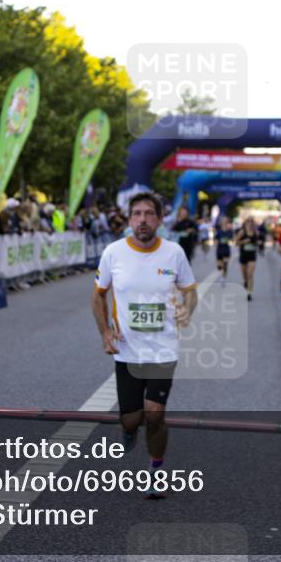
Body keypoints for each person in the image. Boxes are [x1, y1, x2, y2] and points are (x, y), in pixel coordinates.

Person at [91, 192, 197, 499]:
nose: (143, 220)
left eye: (149, 214)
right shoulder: (113, 253)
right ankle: (127, 428)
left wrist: (187, 309)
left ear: (160, 220)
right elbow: (98, 294)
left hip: (163, 348)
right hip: (127, 350)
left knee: (155, 414)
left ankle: (156, 472)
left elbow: (189, 290)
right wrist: (105, 331)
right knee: (132, 418)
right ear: (129, 219)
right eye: (136, 214)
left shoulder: (174, 253)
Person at [234, 217, 260, 301]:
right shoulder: (242, 232)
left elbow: (258, 242)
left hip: (252, 256)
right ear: (245, 223)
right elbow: (236, 243)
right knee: (244, 274)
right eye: (248, 222)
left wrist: (258, 243)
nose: (250, 224)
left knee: (250, 274)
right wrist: (243, 242)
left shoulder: (255, 232)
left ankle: (249, 293)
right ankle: (245, 282)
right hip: (243, 255)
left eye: (251, 222)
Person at [214, 216, 233, 283]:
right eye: (223, 222)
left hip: (226, 249)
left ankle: (223, 277)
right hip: (219, 249)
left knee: (225, 264)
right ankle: (221, 272)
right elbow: (215, 239)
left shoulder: (229, 231)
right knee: (219, 266)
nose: (224, 223)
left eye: (226, 222)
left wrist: (229, 240)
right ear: (221, 223)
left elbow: (232, 240)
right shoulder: (218, 231)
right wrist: (216, 242)